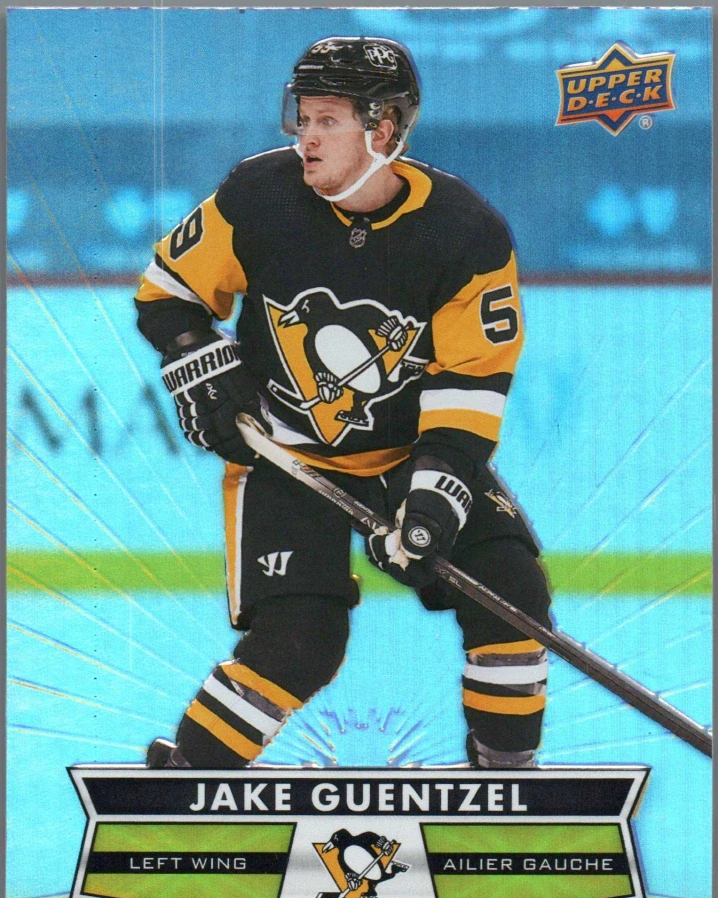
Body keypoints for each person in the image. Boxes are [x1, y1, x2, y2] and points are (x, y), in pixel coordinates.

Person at [135, 36, 553, 771]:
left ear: (383, 129)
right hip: (288, 456)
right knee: (301, 639)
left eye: (327, 120)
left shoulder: (466, 234)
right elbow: (168, 290)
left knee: (511, 593)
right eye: (302, 117)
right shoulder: (257, 195)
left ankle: (507, 780)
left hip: (411, 453)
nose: (306, 136)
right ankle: (191, 778)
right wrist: (195, 358)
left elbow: (470, 385)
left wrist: (433, 501)